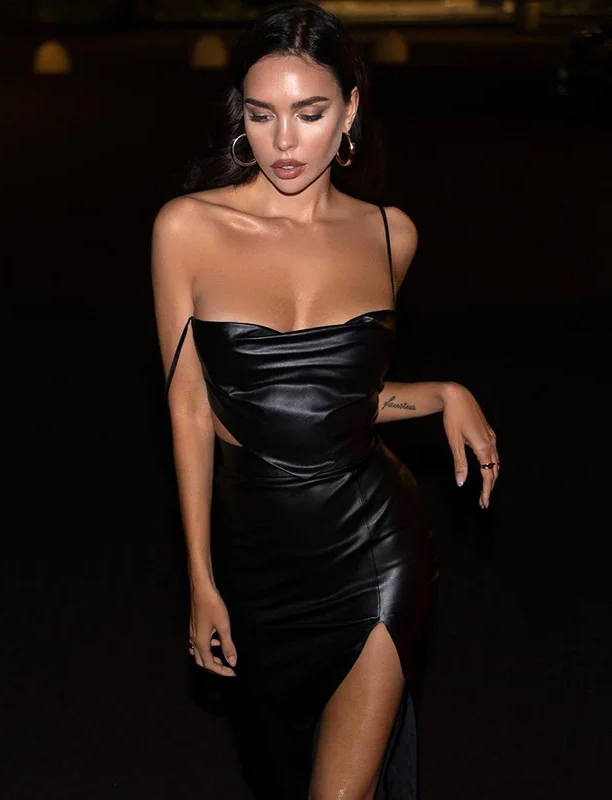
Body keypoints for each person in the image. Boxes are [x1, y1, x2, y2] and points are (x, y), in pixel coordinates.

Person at [152, 4, 499, 798]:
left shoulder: (390, 235)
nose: (283, 141)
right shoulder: (187, 230)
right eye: (262, 114)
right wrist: (201, 579)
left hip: (375, 549)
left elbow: (341, 402)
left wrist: (443, 393)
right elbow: (192, 411)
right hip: (256, 560)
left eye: (309, 114)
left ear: (349, 111)